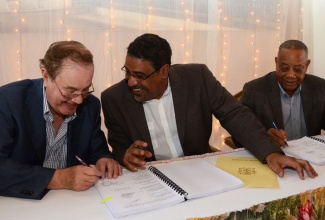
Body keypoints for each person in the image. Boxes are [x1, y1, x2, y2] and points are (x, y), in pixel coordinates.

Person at [101, 33, 317, 180]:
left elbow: (235, 114)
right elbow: (119, 145)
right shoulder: (114, 98)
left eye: (139, 76)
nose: (130, 82)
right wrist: (124, 155)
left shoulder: (197, 78)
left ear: (164, 71)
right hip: (152, 178)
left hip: (201, 174)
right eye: (127, 72)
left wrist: (271, 153)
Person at [0, 40, 122, 199]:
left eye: (85, 90)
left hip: (72, 203)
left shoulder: (90, 105)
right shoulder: (8, 101)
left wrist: (104, 158)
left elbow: (97, 149)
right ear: (46, 76)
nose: (78, 100)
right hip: (20, 204)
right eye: (70, 91)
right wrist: (59, 178)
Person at [241, 40, 325, 147]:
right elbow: (239, 133)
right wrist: (264, 137)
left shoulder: (319, 86)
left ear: (307, 65)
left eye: (298, 69)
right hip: (274, 156)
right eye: (284, 68)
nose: (290, 75)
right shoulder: (254, 90)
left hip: (310, 157)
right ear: (276, 62)